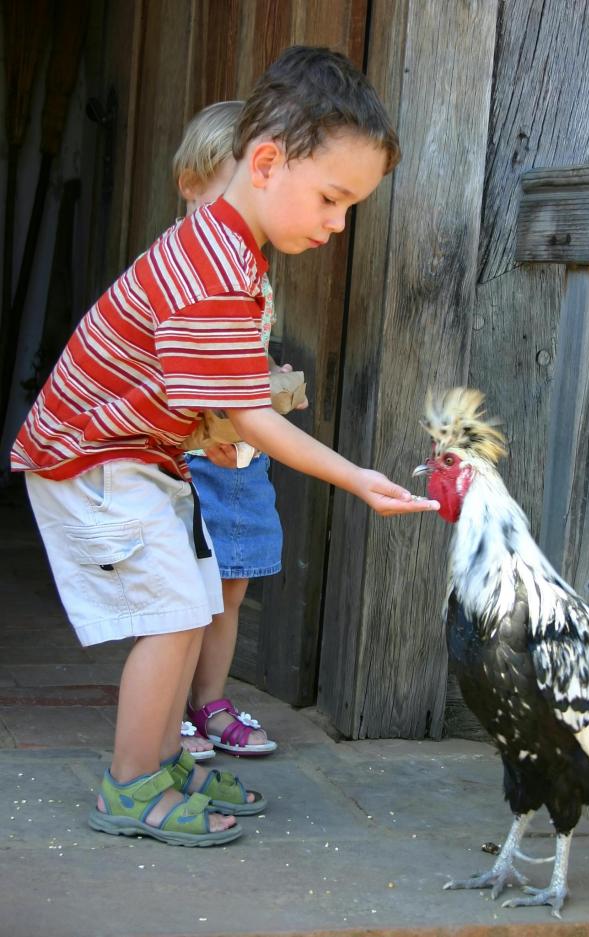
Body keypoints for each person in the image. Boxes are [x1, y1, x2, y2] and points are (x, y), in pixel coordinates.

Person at [11, 45, 439, 847]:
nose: (339, 224)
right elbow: (248, 416)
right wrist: (357, 476)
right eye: (333, 199)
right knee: (174, 613)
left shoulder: (231, 248)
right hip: (91, 458)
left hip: (133, 456)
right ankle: (133, 783)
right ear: (269, 162)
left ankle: (164, 756)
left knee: (195, 600)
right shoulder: (211, 266)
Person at [172, 100, 298, 761]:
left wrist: (269, 372)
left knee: (231, 583)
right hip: (186, 456)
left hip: (243, 456)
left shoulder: (252, 269)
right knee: (184, 587)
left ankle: (209, 700)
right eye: (228, 192)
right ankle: (168, 709)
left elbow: (240, 350)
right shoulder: (177, 266)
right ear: (190, 184)